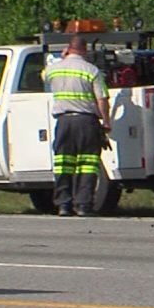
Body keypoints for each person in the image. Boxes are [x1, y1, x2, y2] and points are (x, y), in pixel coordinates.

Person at [43, 35, 112, 217]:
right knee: (87, 165)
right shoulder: (91, 70)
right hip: (86, 122)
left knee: (63, 165)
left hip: (64, 122)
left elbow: (43, 76)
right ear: (85, 49)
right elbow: (102, 99)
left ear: (68, 48)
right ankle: (83, 205)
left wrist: (63, 57)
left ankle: (63, 205)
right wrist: (106, 122)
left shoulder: (53, 70)